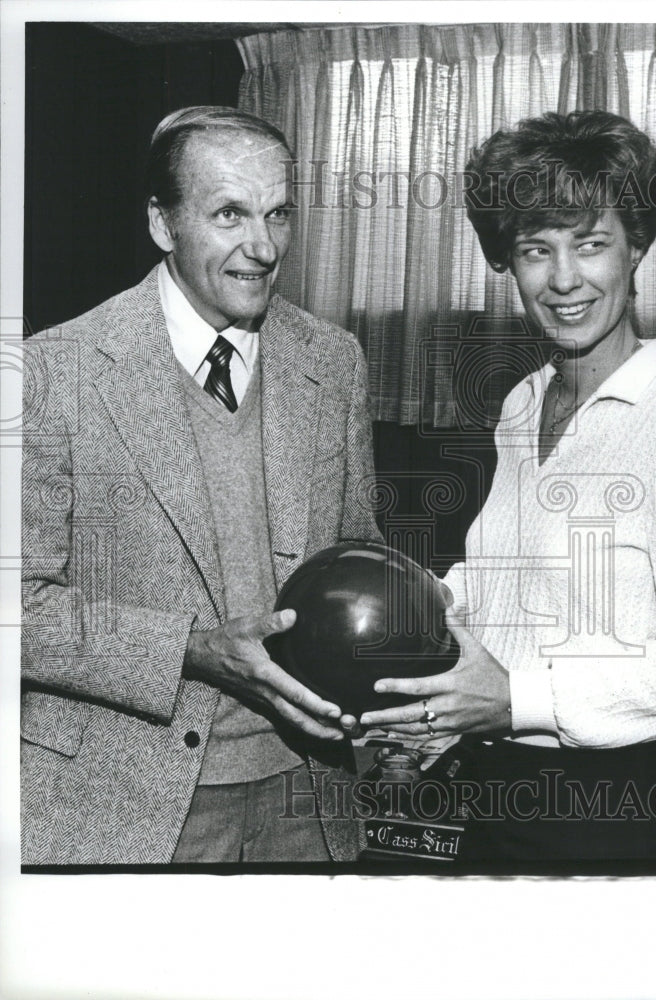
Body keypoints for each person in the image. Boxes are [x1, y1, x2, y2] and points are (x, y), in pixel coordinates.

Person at [360, 111, 656, 862]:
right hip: (499, 793)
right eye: (535, 249)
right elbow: (507, 582)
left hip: (621, 811)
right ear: (507, 263)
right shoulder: (523, 403)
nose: (564, 278)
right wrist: (430, 607)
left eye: (591, 243)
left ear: (636, 246)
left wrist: (518, 699)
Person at [21, 106, 381, 865]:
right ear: (163, 223)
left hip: (308, 800)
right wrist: (193, 650)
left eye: (278, 214)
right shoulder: (52, 372)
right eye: (229, 214)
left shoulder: (334, 360)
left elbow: (360, 557)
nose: (262, 247)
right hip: (119, 812)